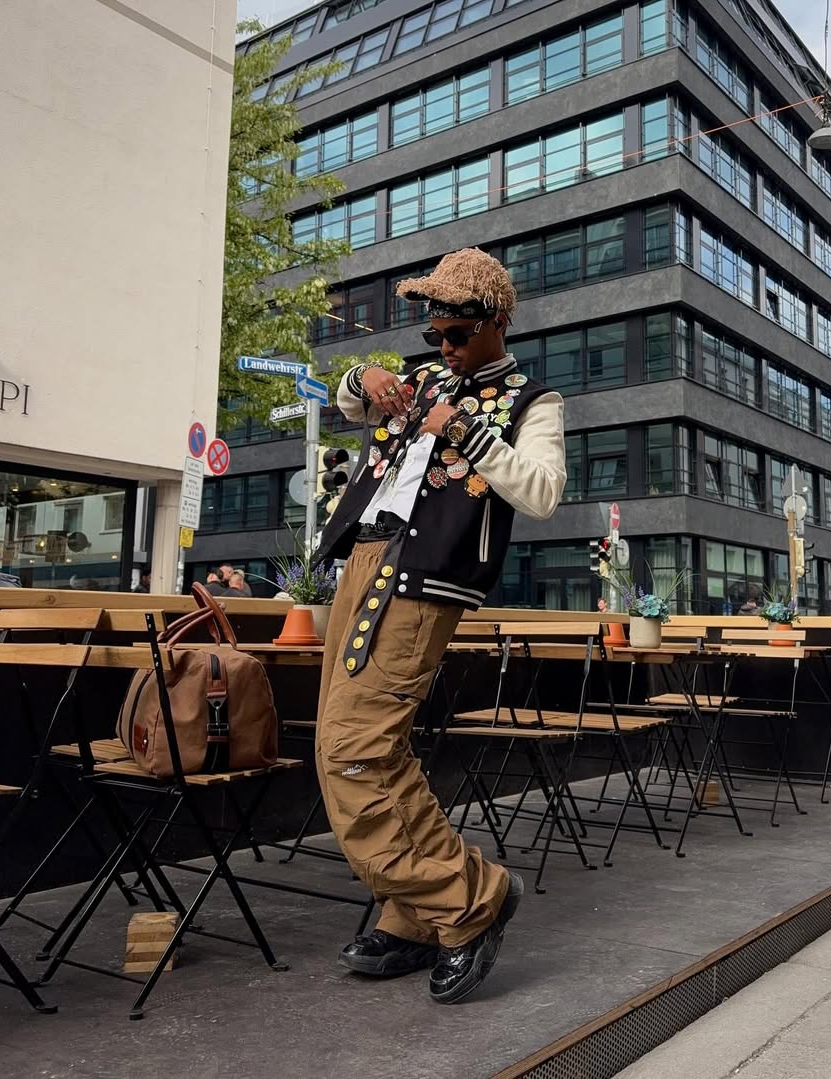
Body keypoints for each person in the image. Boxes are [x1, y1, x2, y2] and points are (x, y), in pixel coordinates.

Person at [312, 248, 566, 1004]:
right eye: (435, 336)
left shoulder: (533, 399)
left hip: (425, 578)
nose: (443, 348)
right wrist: (365, 379)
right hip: (360, 556)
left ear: (495, 323)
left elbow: (544, 491)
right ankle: (416, 910)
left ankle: (467, 896)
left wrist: (466, 430)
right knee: (371, 748)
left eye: (456, 334)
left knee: (351, 749)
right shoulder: (420, 378)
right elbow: (347, 399)